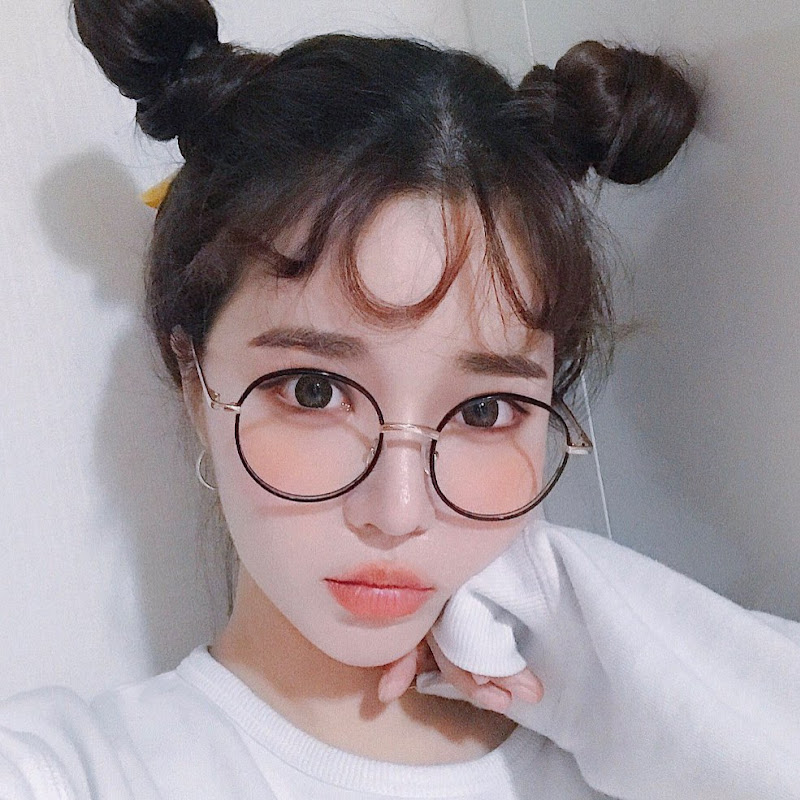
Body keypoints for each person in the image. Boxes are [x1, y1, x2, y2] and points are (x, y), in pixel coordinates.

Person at [1, 0, 798, 798]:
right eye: (315, 391)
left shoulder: (641, 757)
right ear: (193, 380)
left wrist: (584, 633)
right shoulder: (70, 774)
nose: (399, 510)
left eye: (485, 411)